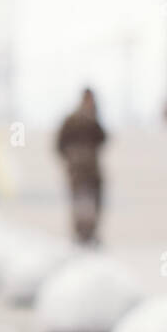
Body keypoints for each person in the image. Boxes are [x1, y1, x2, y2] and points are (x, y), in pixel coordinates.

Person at [55, 87, 108, 246]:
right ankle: (83, 236)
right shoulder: (73, 120)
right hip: (79, 171)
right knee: (82, 203)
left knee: (92, 203)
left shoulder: (92, 119)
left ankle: (88, 236)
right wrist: (72, 158)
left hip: (91, 170)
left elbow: (103, 139)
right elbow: (59, 145)